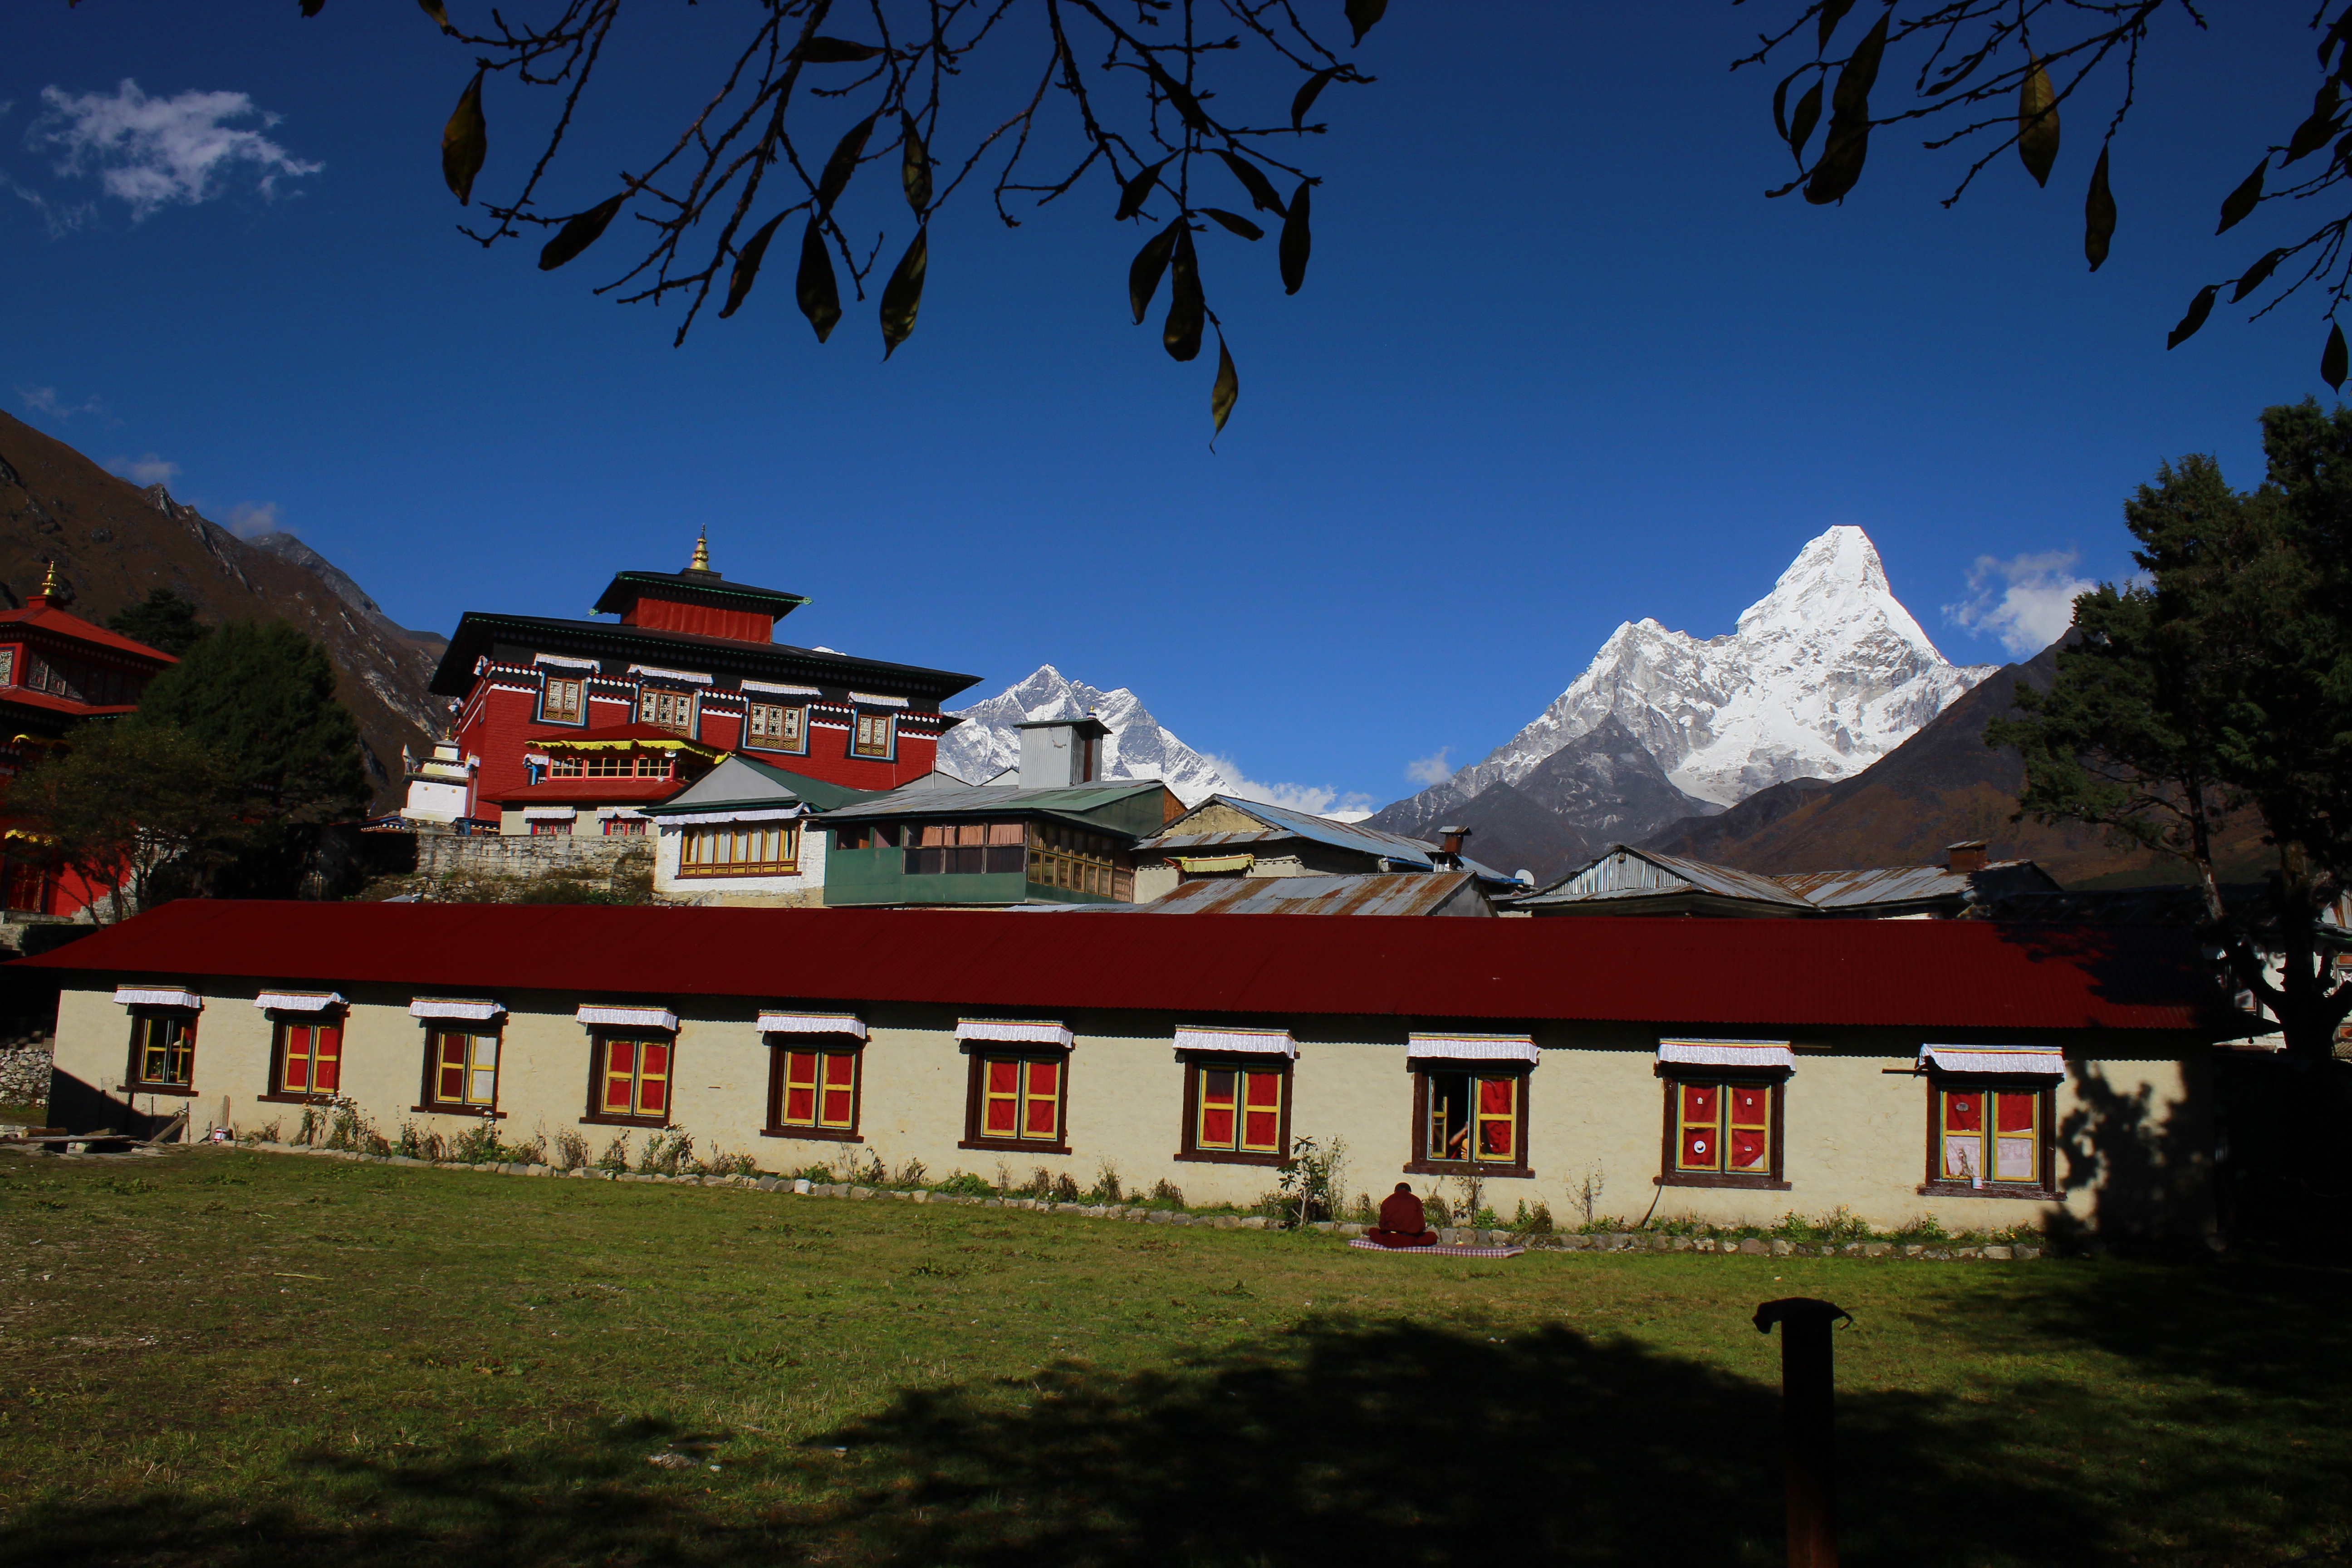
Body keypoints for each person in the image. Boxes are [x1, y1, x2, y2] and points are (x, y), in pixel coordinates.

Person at [1366, 1182, 1438, 1249]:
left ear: (1395, 1192)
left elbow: (1382, 1225)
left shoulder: (1388, 1200)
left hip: (1389, 1239)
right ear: (1410, 1192)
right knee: (1432, 1236)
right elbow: (1422, 1226)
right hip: (1410, 1240)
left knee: (1373, 1231)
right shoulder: (1416, 1200)